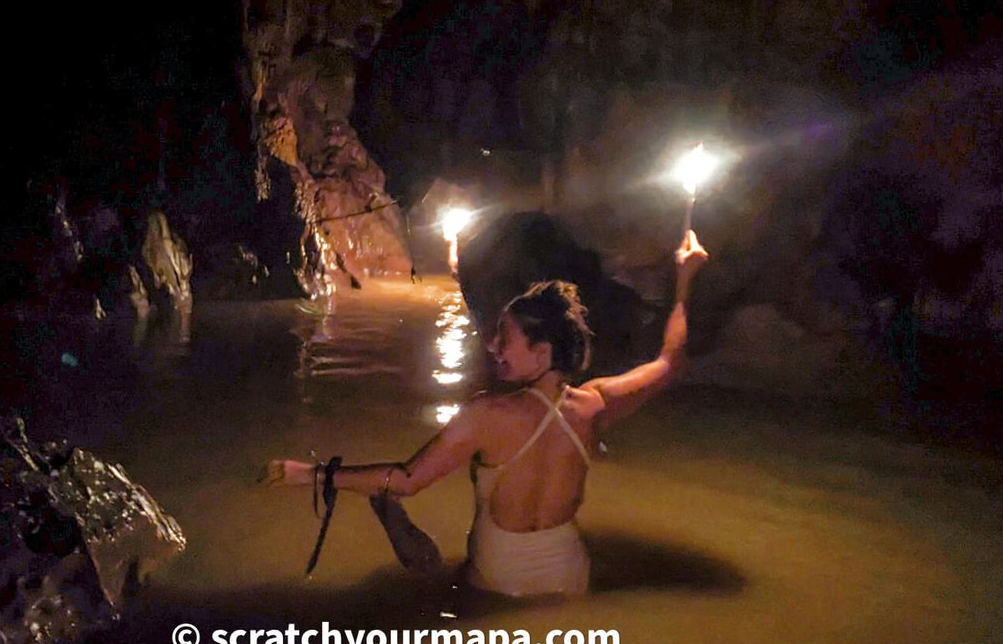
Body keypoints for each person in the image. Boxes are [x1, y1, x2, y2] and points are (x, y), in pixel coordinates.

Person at [262, 230, 710, 597]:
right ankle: (388, 512)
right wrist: (685, 279)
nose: (493, 347)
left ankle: (387, 513)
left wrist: (312, 474)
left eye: (505, 338)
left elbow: (407, 479)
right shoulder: (594, 406)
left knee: (428, 573)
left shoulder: (486, 414)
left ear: (542, 351)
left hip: (498, 579)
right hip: (569, 576)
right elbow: (670, 363)